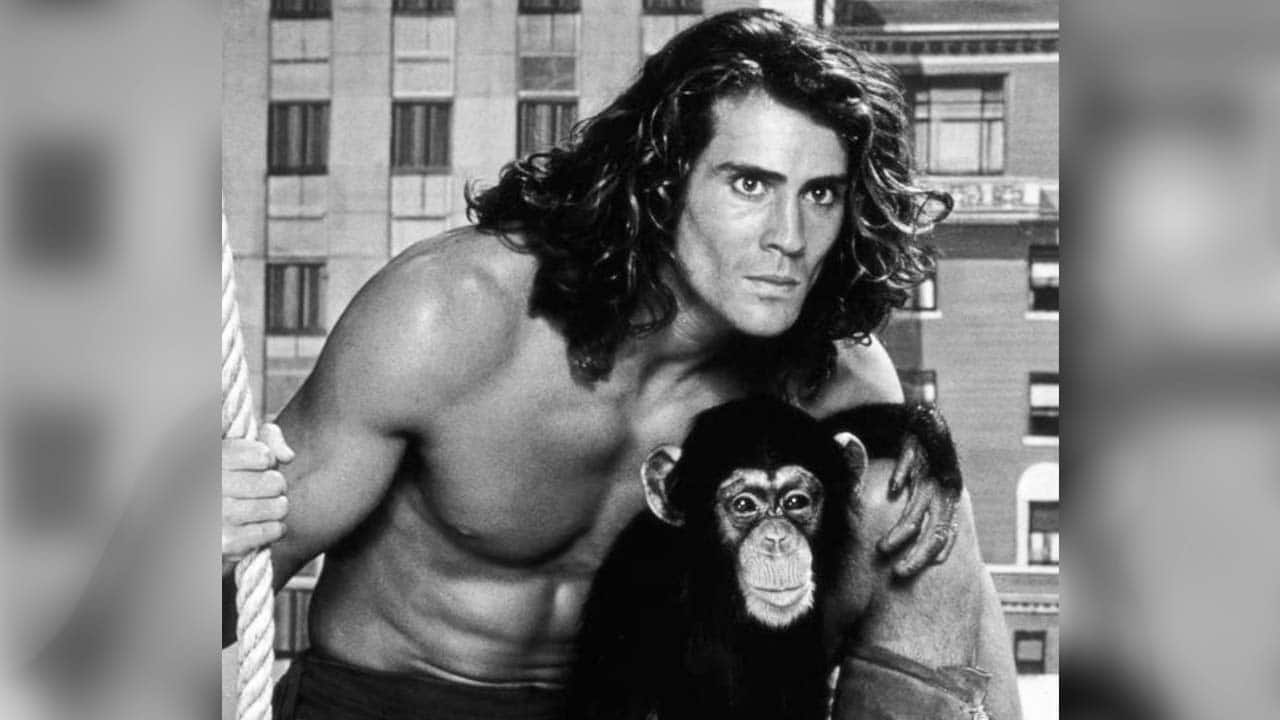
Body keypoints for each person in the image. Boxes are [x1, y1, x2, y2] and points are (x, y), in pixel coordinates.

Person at [222, 9, 1019, 719]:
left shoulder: (831, 377)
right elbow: (233, 587)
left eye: (821, 195)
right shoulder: (456, 313)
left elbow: (942, 611)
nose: (789, 236)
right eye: (750, 184)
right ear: (664, 180)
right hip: (395, 702)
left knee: (915, 492)